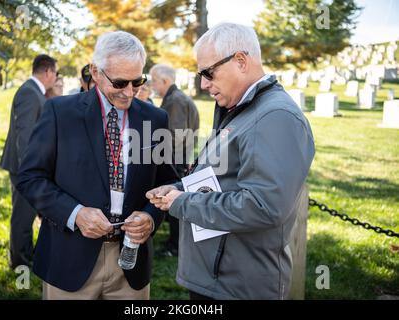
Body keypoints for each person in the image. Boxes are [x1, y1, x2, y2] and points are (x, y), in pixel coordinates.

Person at [146, 23, 315, 300]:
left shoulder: (276, 117)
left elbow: (264, 206)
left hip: (238, 285)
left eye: (208, 73)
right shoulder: (242, 107)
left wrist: (182, 202)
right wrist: (180, 188)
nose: (203, 84)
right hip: (218, 277)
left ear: (240, 60)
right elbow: (225, 176)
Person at [16, 31, 178, 299]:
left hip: (132, 266)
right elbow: (30, 177)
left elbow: (167, 182)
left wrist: (151, 216)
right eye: (120, 82)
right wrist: (76, 214)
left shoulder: (155, 118)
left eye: (137, 81)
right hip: (69, 260)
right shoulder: (59, 112)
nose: (129, 92)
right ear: (95, 72)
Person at [0, 54, 57, 269]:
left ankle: (26, 253)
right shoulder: (30, 94)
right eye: (56, 73)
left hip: (28, 167)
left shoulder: (35, 92)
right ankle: (19, 262)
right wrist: (30, 172)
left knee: (28, 213)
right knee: (23, 217)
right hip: (23, 168)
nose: (55, 78)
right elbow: (25, 138)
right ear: (48, 72)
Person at [149, 63, 199, 257]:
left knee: (175, 202)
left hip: (175, 160)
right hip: (180, 158)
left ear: (165, 81)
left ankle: (175, 246)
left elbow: (175, 136)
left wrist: (166, 162)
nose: (152, 85)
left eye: (154, 81)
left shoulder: (175, 100)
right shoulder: (175, 97)